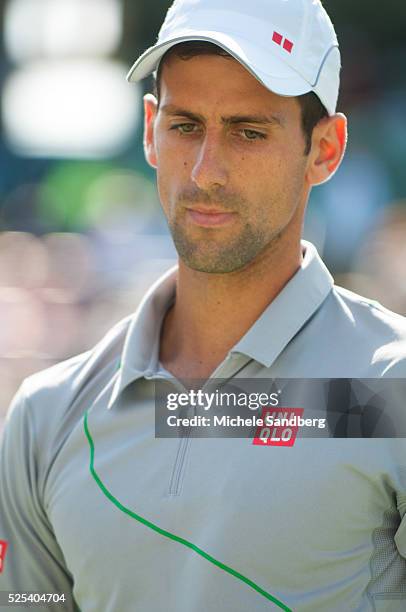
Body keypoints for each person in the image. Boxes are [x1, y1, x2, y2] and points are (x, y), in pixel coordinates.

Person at [1, 0, 406, 610]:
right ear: (150, 132)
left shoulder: (390, 388)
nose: (205, 170)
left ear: (325, 149)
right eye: (186, 125)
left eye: (249, 132)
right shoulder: (46, 416)